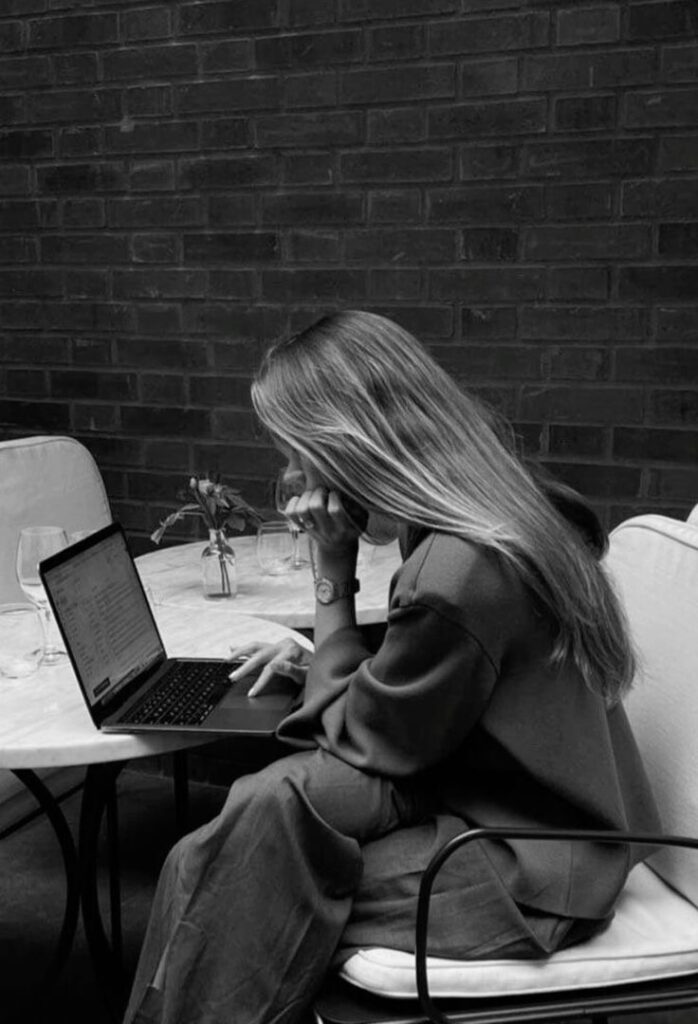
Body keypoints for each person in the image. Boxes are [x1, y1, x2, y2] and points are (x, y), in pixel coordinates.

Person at [124, 310, 660, 1024]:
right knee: (216, 850)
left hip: (529, 867)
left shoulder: (456, 572)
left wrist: (333, 574)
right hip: (496, 805)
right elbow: (428, 697)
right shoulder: (485, 514)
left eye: (296, 451)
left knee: (235, 884)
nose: (289, 477)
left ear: (351, 441)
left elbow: (366, 744)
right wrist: (325, 662)